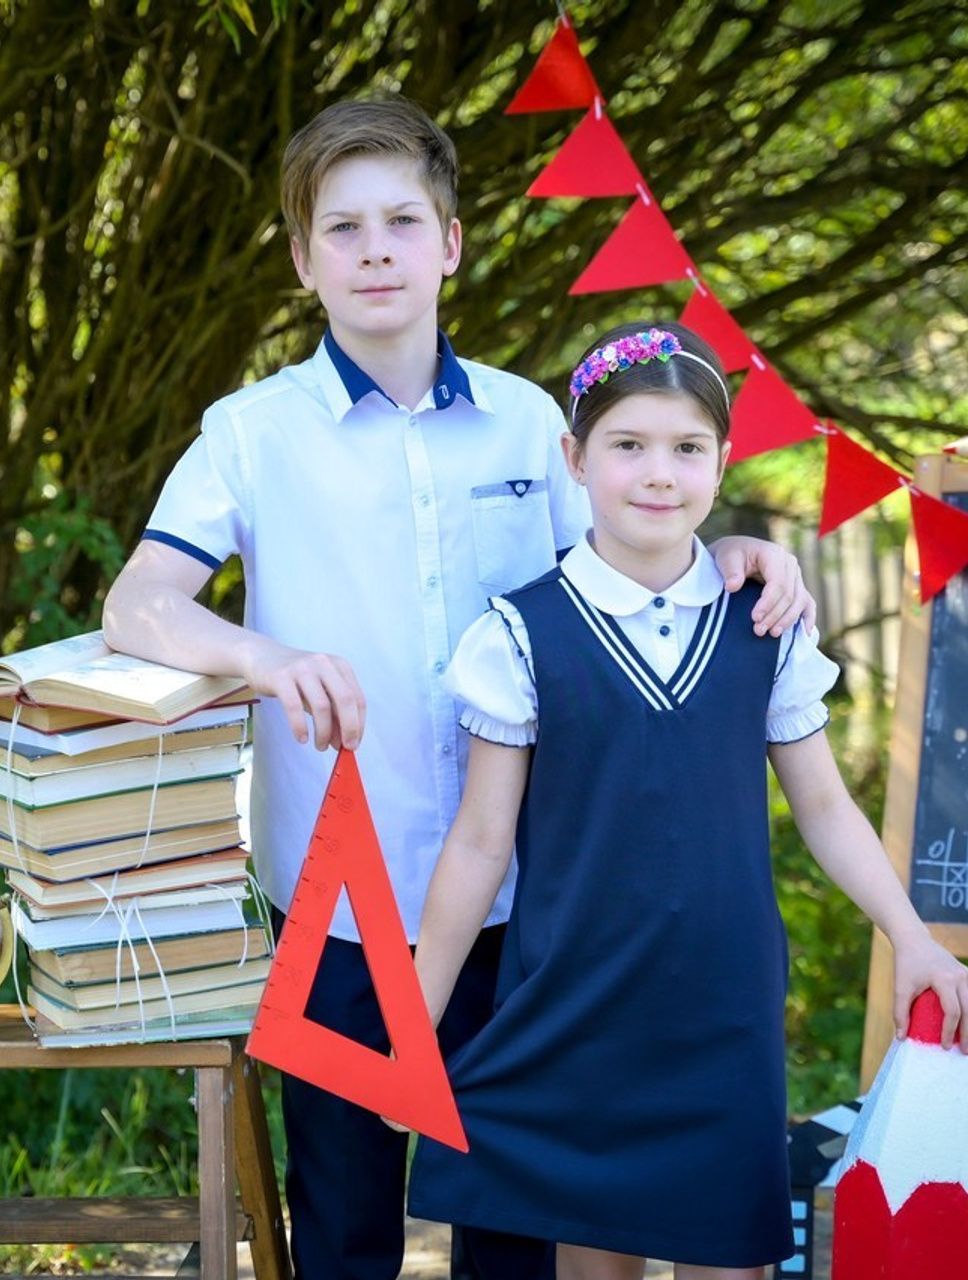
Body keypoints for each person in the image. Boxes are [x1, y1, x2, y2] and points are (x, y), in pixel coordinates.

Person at [102, 96, 812, 1280]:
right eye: (341, 227)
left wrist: (740, 554)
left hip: (526, 904)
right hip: (337, 900)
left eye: (400, 220)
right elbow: (137, 606)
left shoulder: (531, 425)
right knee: (345, 1228)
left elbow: (630, 561)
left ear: (451, 243)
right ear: (300, 258)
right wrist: (263, 657)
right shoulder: (249, 433)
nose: (374, 248)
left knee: (512, 1230)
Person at [399, 321, 968, 1280]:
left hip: (723, 1012)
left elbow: (826, 810)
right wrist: (416, 1016)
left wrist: (910, 935)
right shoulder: (519, 635)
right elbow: (481, 843)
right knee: (595, 1265)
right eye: (628, 445)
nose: (658, 473)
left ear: (722, 459)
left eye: (687, 448)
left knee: (728, 1264)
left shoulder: (765, 624)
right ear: (575, 458)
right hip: (577, 1007)